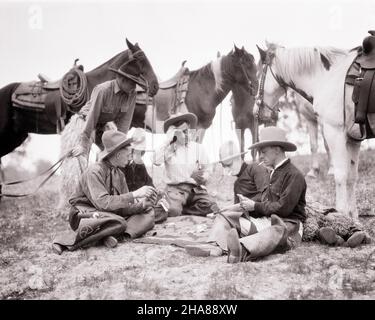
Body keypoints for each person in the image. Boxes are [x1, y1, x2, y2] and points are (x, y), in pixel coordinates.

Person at [188, 126, 307, 261]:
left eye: (264, 152)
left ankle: (241, 250)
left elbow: (283, 209)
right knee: (225, 217)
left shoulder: (294, 175)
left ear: (277, 149)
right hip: (266, 221)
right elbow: (266, 204)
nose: (260, 156)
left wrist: (254, 206)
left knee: (274, 230)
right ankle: (215, 246)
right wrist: (244, 207)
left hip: (289, 226)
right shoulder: (272, 172)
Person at [52, 130, 157, 254]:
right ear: (118, 155)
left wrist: (142, 205)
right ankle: (63, 242)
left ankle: (111, 235)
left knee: (148, 211)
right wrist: (134, 194)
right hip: (85, 214)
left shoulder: (120, 175)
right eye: (128, 155)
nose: (130, 158)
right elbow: (103, 203)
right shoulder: (94, 171)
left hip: (108, 214)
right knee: (119, 221)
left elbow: (121, 208)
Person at [152, 112, 219, 220]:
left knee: (212, 206)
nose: (187, 134)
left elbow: (208, 168)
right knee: (173, 210)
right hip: (176, 190)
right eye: (183, 132)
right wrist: (168, 140)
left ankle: (184, 210)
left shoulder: (198, 148)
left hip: (195, 190)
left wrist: (204, 177)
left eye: (188, 130)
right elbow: (155, 160)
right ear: (174, 133)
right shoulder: (169, 149)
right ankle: (176, 208)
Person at [71, 62, 143, 157]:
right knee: (81, 155)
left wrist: (120, 145)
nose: (134, 86)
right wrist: (83, 143)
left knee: (114, 156)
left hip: (103, 124)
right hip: (85, 122)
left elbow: (125, 123)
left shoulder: (132, 93)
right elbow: (92, 117)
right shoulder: (103, 90)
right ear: (122, 79)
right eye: (133, 83)